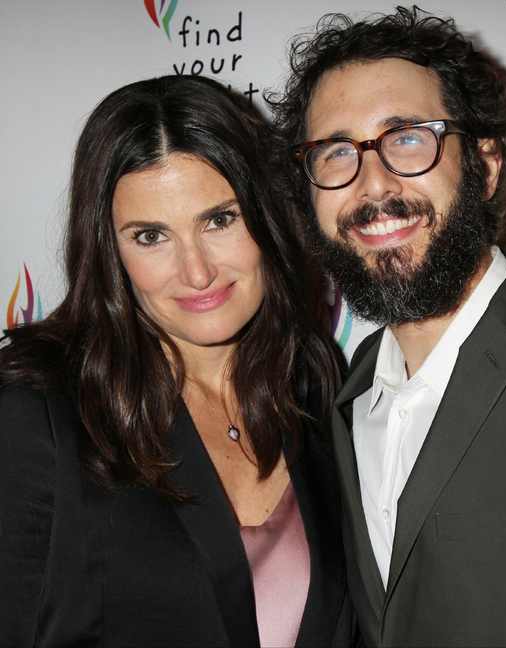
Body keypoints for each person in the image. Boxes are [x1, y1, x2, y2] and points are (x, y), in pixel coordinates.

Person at [270, 5, 506, 647]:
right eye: (337, 152)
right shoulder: (345, 395)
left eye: (409, 138)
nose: (371, 183)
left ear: (486, 166)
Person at [0, 75, 355, 647]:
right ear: (109, 249)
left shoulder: (316, 387)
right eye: (150, 236)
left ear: (266, 215)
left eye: (220, 219)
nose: (197, 272)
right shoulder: (38, 414)